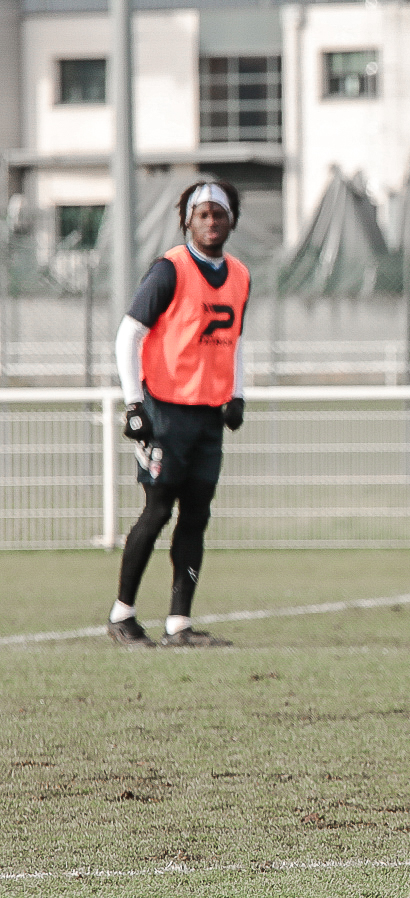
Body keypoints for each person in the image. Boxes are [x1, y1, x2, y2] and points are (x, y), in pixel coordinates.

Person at [106, 181, 249, 648]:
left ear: (232, 220)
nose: (211, 221)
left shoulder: (240, 275)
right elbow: (129, 334)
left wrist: (237, 393)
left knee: (197, 516)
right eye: (201, 213)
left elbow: (236, 340)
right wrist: (134, 404)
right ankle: (122, 614)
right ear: (186, 219)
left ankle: (178, 624)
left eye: (219, 214)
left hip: (208, 416)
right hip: (165, 412)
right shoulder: (170, 269)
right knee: (157, 510)